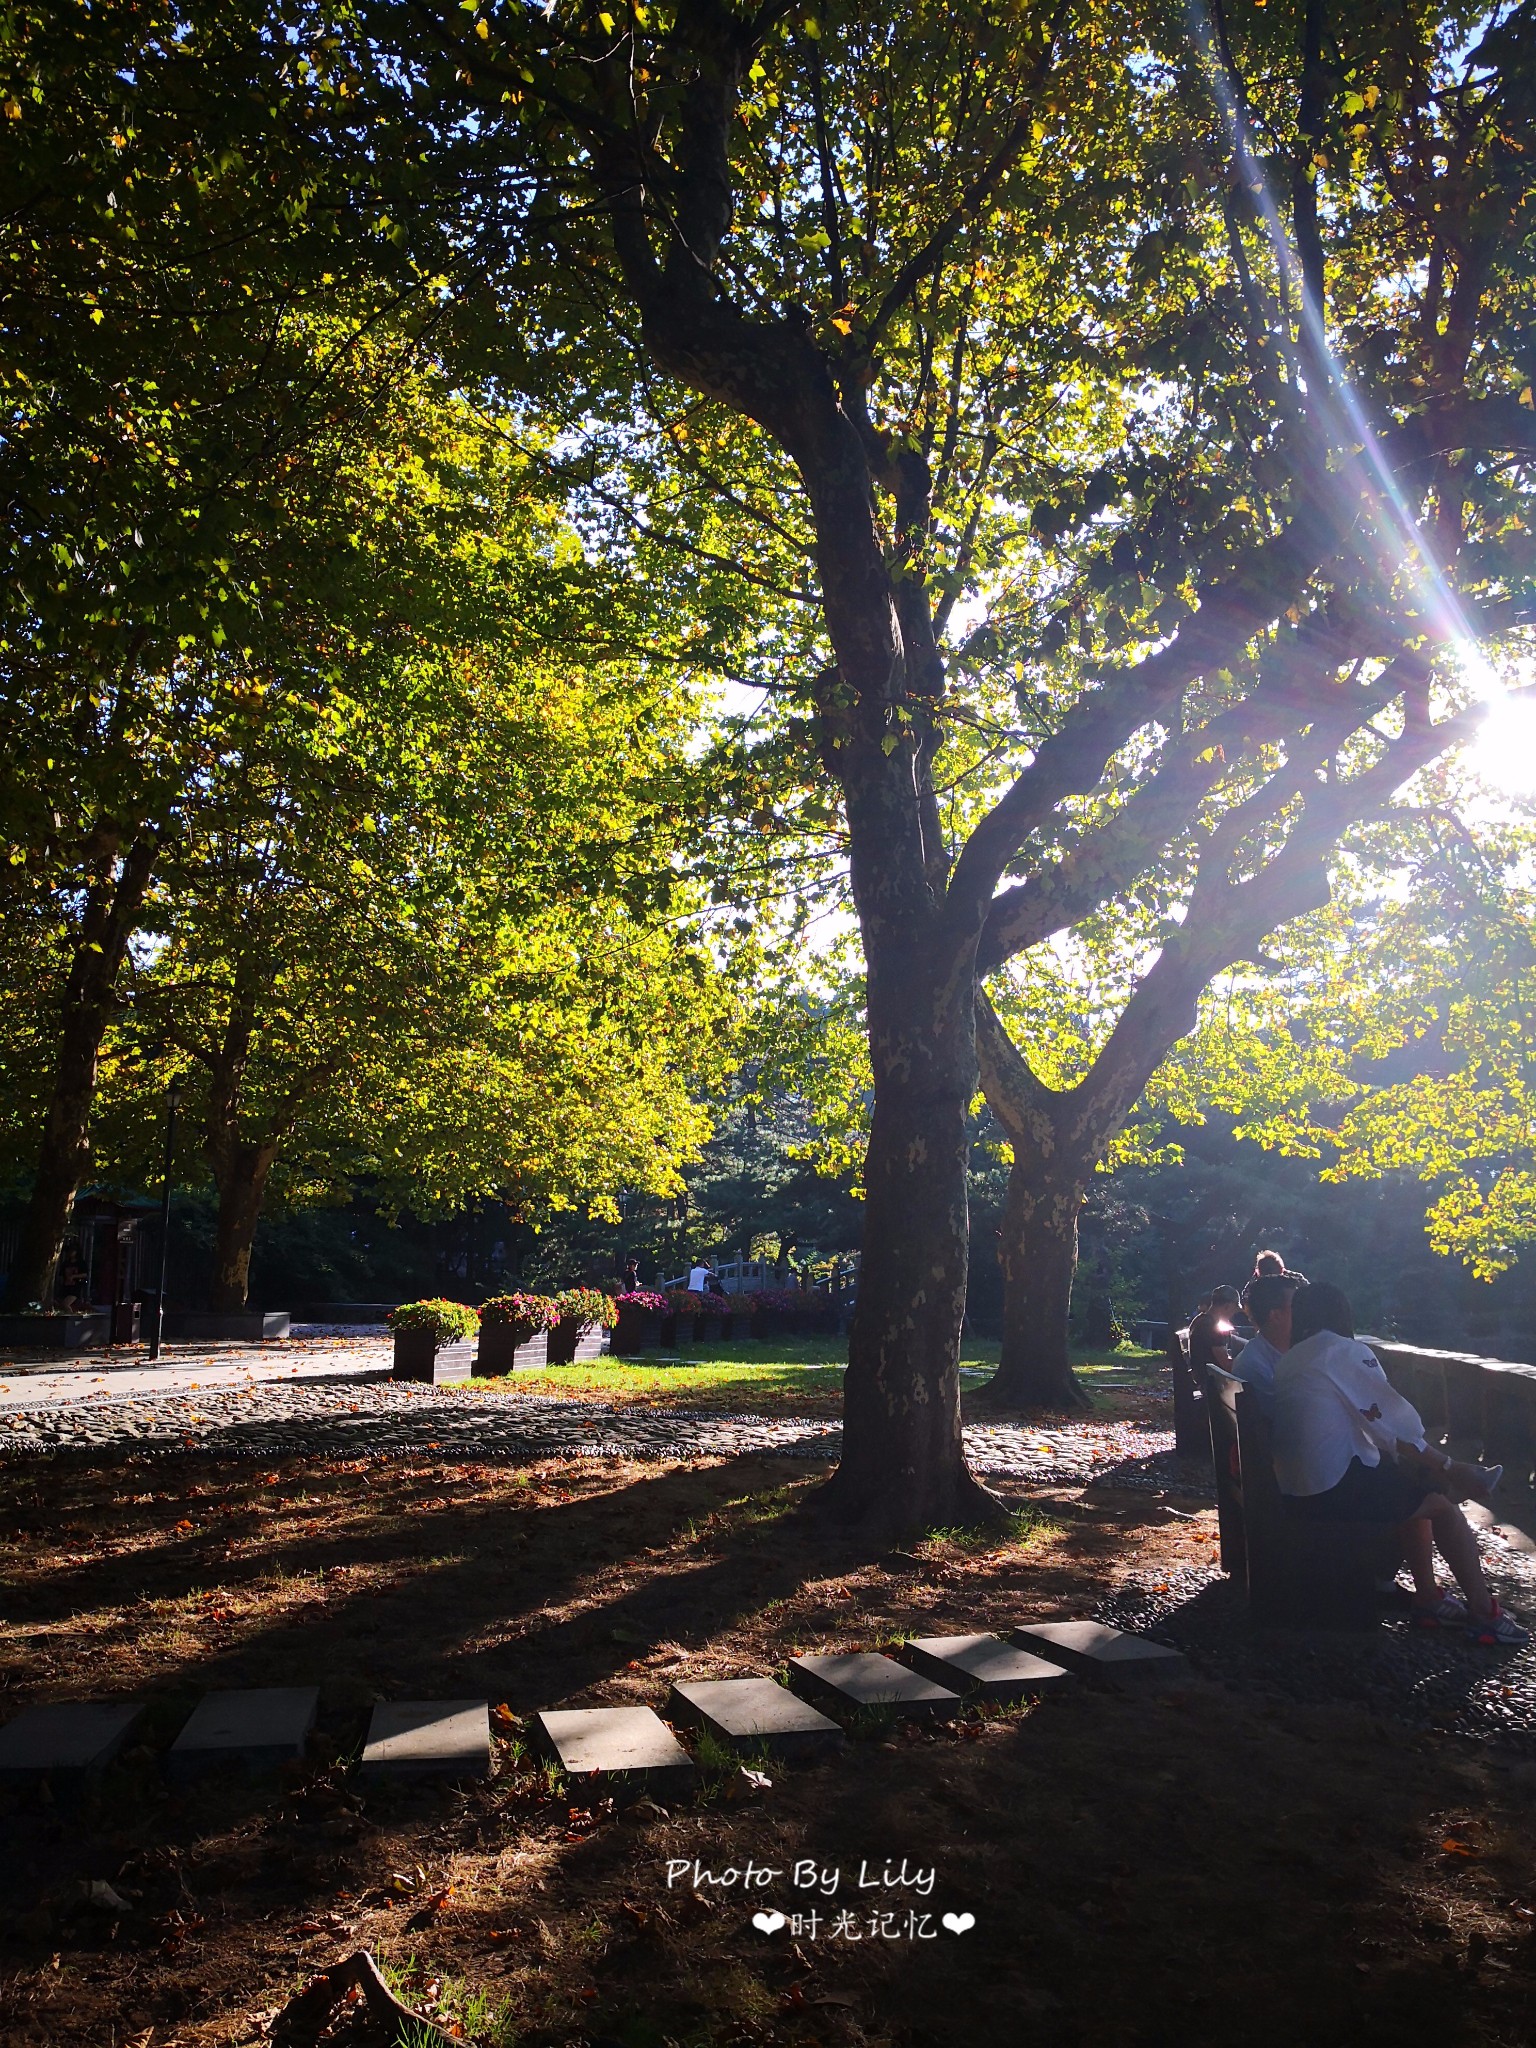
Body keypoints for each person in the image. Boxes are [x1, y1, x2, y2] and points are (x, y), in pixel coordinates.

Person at [1273, 1282, 1526, 1645]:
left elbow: (1374, 1425)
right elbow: (1393, 1419)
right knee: (1442, 1508)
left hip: (1298, 1487)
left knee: (1414, 1494)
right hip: (1328, 1491)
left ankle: (1427, 1598)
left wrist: (1437, 1465)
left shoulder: (1294, 1357)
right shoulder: (1342, 1351)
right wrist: (1448, 1465)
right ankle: (1485, 1614)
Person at [1231, 1269, 1299, 1411]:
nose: (1303, 1311)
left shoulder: (1264, 1353)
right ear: (1275, 1316)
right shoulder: (1255, 1368)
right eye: (1296, 1307)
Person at [1187, 1284, 1241, 1378]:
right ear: (1227, 1306)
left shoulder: (1200, 1320)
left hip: (1203, 1376)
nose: (1233, 1314)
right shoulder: (1211, 1327)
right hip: (1211, 1382)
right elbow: (1228, 1366)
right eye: (1234, 1309)